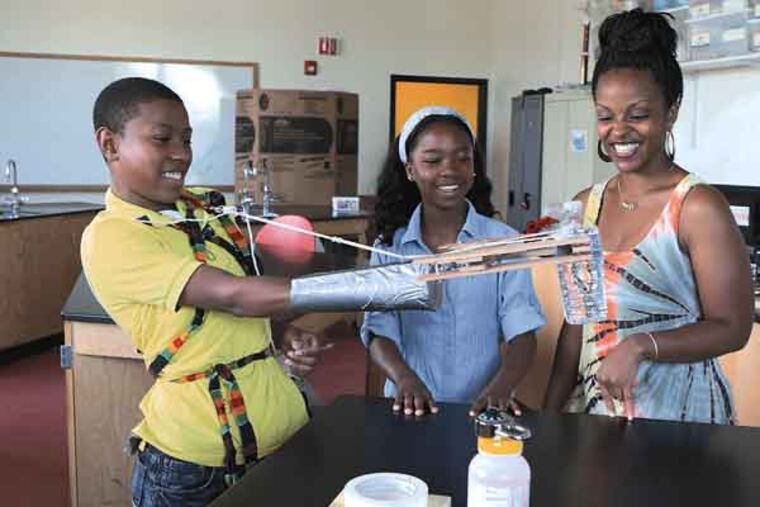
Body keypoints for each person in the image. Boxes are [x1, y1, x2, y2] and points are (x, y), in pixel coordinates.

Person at [82, 77, 330, 506]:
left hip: (285, 434)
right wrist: (369, 286)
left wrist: (279, 332)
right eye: (162, 138)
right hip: (196, 467)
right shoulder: (113, 237)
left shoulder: (202, 208)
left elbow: (243, 303)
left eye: (186, 138)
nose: (181, 153)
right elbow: (233, 295)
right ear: (109, 145)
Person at [543, 9, 753, 423]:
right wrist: (548, 420)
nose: (618, 130)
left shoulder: (697, 207)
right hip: (598, 419)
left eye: (637, 114)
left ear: (670, 112)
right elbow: (575, 327)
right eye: (605, 116)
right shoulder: (585, 205)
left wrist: (640, 344)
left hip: (682, 422)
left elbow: (733, 327)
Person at [361, 106, 546, 418]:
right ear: (410, 170)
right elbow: (380, 328)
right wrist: (404, 379)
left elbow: (523, 333)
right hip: (411, 408)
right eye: (433, 160)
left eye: (463, 158)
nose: (450, 170)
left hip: (482, 409)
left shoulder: (504, 243)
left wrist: (500, 388)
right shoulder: (391, 247)